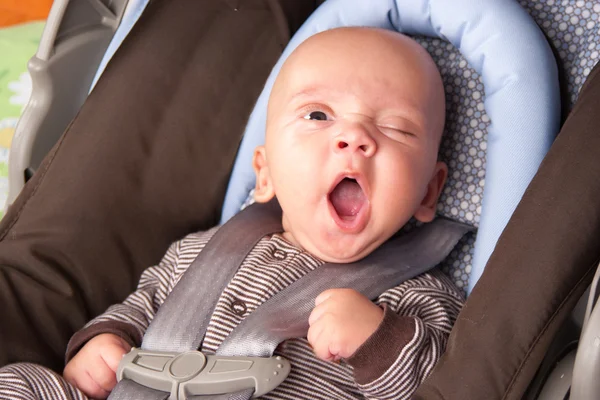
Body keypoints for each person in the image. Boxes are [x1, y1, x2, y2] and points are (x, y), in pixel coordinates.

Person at [0, 27, 464, 400]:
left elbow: (440, 381)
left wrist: (376, 338)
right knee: (24, 383)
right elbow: (143, 305)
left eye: (394, 128)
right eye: (319, 116)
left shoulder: (421, 295)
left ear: (429, 192)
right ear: (265, 175)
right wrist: (104, 340)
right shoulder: (201, 252)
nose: (355, 138)